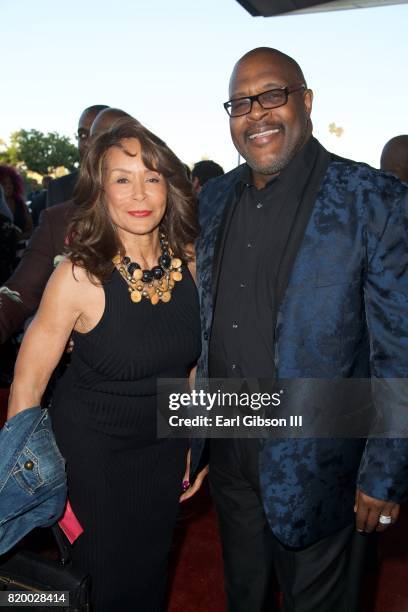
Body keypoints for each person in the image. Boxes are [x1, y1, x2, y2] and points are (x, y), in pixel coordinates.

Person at [194, 47, 408, 612]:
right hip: (231, 453)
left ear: (306, 101)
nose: (255, 113)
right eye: (240, 102)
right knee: (244, 596)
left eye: (272, 94)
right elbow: (207, 324)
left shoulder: (374, 199)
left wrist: (385, 473)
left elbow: (399, 349)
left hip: (323, 465)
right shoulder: (213, 200)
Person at [7, 117, 203, 611]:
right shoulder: (79, 275)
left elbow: (191, 368)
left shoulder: (193, 265)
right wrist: (30, 474)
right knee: (97, 591)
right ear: (101, 191)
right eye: (122, 178)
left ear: (169, 188)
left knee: (148, 584)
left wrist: (193, 444)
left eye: (152, 177)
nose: (139, 192)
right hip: (88, 468)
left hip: (160, 460)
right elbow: (28, 382)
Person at [0, 108, 131, 344]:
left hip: (176, 380)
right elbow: (20, 292)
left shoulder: (171, 230)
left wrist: (203, 382)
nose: (93, 143)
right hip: (86, 374)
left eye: (110, 135)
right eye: (85, 135)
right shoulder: (59, 219)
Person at [46, 104, 109, 207]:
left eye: (97, 134)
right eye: (82, 135)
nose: (88, 143)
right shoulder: (58, 189)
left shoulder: (136, 186)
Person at [0, 165, 32, 239]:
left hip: (21, 248)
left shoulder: (20, 204)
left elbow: (31, 230)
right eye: (3, 184)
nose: (9, 186)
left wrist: (21, 237)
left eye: (11, 183)